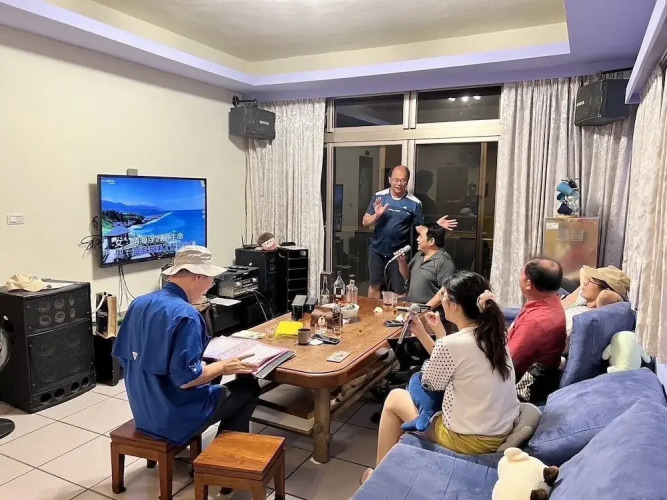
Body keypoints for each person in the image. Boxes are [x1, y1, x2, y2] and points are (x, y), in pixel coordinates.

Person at [363, 271, 520, 483]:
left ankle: (377, 478)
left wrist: (438, 342)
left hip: (468, 439)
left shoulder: (453, 344)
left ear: (455, 305)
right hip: (498, 429)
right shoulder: (495, 335)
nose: (441, 299)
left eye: (444, 295)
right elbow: (452, 362)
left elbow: (431, 383)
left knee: (394, 399)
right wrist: (429, 333)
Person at [112, 246, 260, 446]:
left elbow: (125, 359)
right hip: (174, 418)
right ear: (198, 276)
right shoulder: (187, 315)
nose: (210, 286)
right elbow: (186, 380)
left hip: (144, 413)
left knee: (212, 376)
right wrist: (224, 366)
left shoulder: (138, 303)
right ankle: (223, 457)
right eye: (211, 279)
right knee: (248, 388)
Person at [362, 165, 456, 298]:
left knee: (399, 292)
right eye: (396, 180)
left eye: (403, 180)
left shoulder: (415, 203)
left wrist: (436, 225)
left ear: (407, 181)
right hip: (376, 250)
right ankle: (373, 311)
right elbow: (365, 222)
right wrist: (376, 215)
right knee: (374, 285)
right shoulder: (379, 196)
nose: (399, 184)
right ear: (389, 179)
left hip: (398, 253)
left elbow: (420, 229)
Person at [508, 258, 566, 401]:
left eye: (521, 272)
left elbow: (508, 364)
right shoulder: (552, 302)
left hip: (520, 388)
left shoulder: (535, 322)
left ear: (528, 284)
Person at [560, 265, 630, 350]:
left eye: (590, 281)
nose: (584, 283)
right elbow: (582, 270)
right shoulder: (583, 300)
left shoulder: (588, 316)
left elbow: (605, 295)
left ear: (606, 288)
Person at [397, 223, 455, 306]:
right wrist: (402, 262)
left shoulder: (444, 261)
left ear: (431, 241)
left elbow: (446, 290)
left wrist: (426, 308)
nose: (417, 239)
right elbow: (407, 275)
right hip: (412, 307)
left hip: (430, 310)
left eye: (421, 236)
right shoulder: (419, 254)